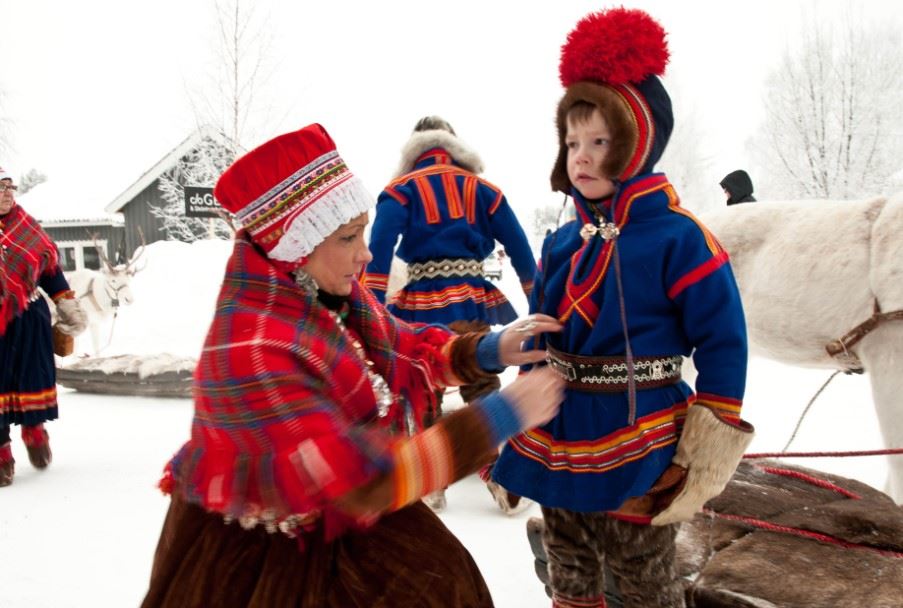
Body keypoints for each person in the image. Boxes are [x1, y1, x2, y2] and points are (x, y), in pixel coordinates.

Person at [141, 123, 565, 608]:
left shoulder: (320, 293)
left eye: (363, 232)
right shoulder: (255, 350)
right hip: (267, 556)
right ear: (294, 242)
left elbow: (406, 350)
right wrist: (501, 415)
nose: (366, 254)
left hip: (348, 512)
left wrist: (493, 349)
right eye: (348, 238)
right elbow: (363, 482)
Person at [490, 9, 754, 608]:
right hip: (561, 433)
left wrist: (704, 450)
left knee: (641, 573)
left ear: (637, 144)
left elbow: (723, 341)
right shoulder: (561, 241)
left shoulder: (680, 238)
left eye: (600, 141)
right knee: (568, 561)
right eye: (572, 141)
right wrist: (524, 388)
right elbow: (541, 334)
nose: (581, 156)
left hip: (642, 436)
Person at [363, 115, 538, 512]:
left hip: (421, 304)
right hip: (472, 298)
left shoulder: (400, 190)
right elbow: (519, 246)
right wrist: (538, 301)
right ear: (453, 145)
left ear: (414, 148)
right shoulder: (483, 189)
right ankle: (499, 477)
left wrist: (369, 308)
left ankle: (430, 483)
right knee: (479, 377)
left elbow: (380, 249)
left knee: (426, 381)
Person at [0, 166, 87, 487]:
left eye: (10, 186)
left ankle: (34, 431)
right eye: (0, 187)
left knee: (31, 377)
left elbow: (50, 270)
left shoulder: (27, 227)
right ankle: (1, 454)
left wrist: (66, 304)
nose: (8, 193)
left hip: (28, 322)